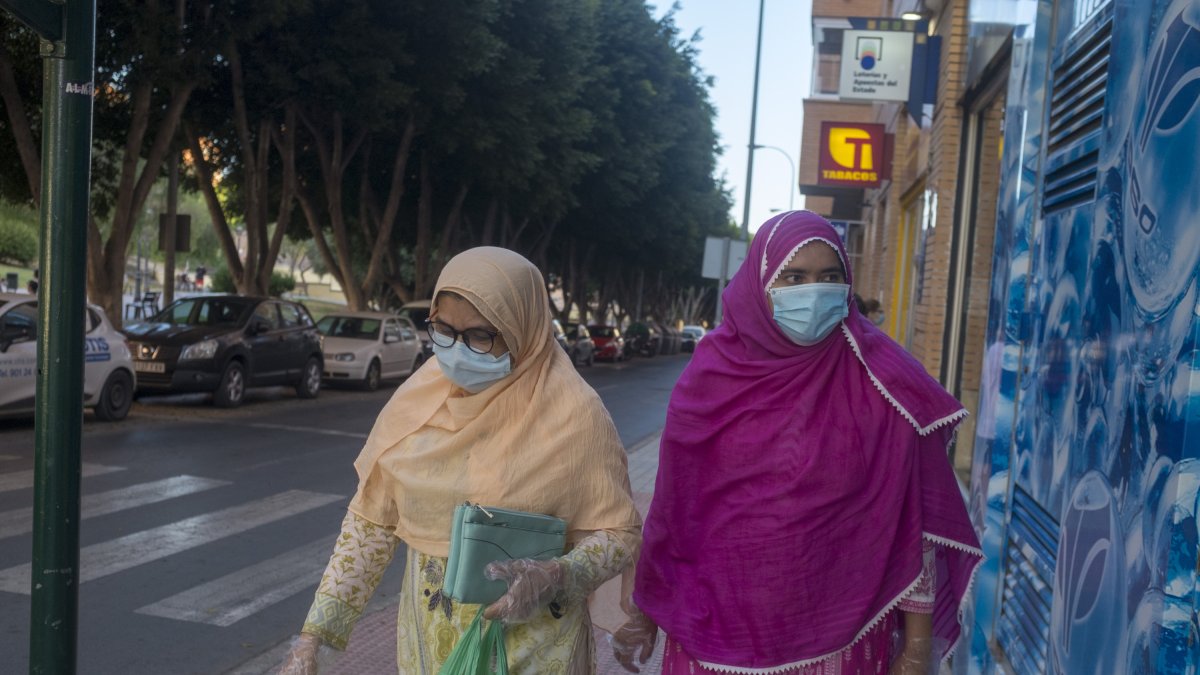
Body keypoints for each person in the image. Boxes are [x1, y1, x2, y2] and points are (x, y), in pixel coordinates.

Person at [612, 211, 982, 675]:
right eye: (794, 277)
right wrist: (644, 611)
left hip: (843, 639)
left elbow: (914, 525)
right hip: (712, 634)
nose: (814, 291)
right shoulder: (708, 378)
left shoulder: (882, 381)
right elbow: (673, 512)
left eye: (829, 276)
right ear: (761, 283)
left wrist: (916, 647)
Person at [279, 246, 642, 674]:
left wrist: (558, 574)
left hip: (537, 650)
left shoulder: (577, 415)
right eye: (444, 330)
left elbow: (619, 533)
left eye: (479, 336)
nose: (457, 350)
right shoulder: (417, 404)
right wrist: (313, 637)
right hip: (430, 646)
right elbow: (370, 524)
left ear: (522, 329)